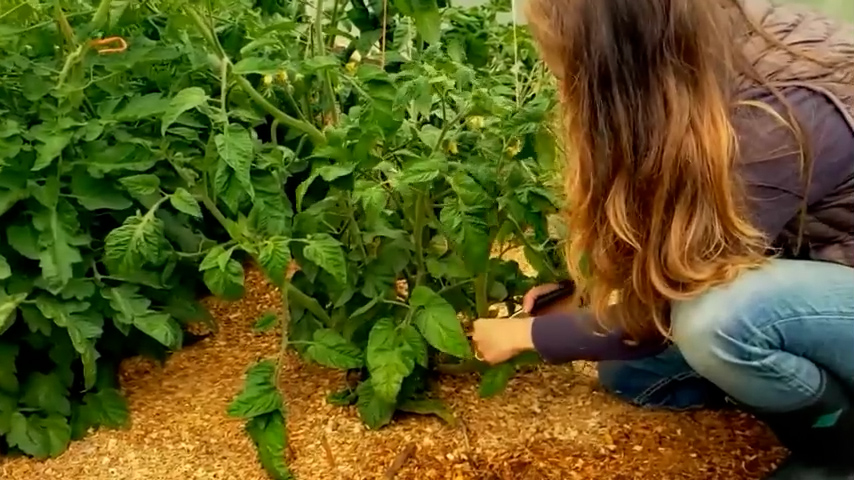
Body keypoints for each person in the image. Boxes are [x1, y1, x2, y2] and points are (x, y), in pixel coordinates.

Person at [471, 0, 854, 479]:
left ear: (609, 50)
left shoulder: (776, 120)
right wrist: (575, 295)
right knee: (635, 374)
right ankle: (786, 386)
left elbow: (660, 308)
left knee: (717, 321)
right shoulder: (698, 45)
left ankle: (834, 452)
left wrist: (523, 336)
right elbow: (667, 237)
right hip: (827, 268)